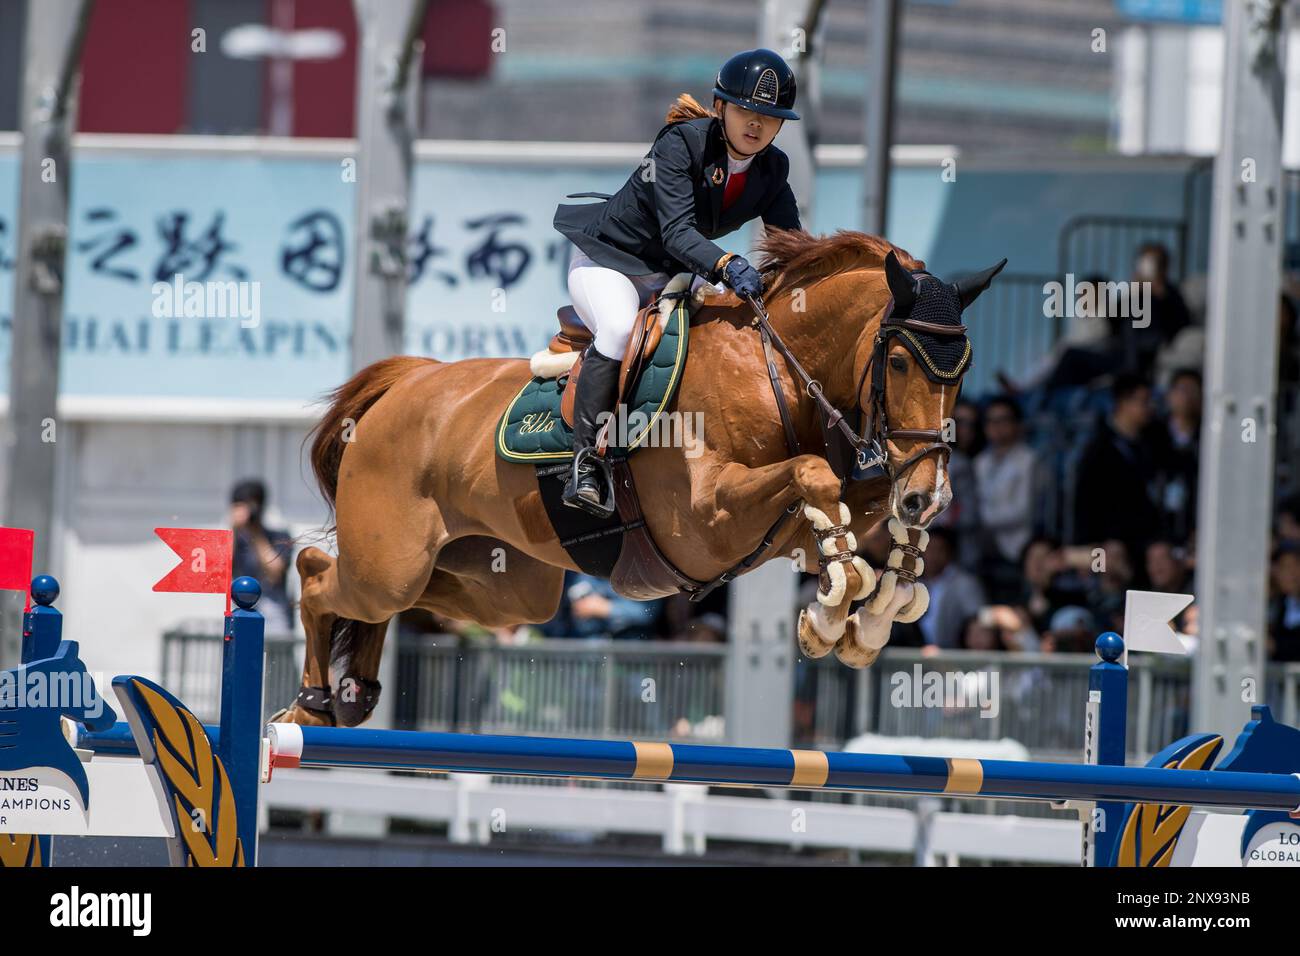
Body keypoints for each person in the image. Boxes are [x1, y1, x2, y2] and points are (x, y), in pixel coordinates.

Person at [552, 48, 803, 516]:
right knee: (620, 329)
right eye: (746, 110)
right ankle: (585, 463)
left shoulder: (774, 169)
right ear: (721, 106)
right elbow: (678, 232)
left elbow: (789, 243)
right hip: (609, 260)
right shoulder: (680, 144)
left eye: (769, 117)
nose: (756, 124)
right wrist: (727, 264)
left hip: (671, 274)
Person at [1072, 373, 1161, 560]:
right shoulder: (1097, 449)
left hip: (1145, 541)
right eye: (1143, 401)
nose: (1149, 408)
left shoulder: (1154, 442)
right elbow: (1086, 503)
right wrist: (1093, 546)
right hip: (1106, 544)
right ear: (1123, 402)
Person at [973, 395, 1038, 596]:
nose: (996, 426)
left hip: (1017, 545)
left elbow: (1024, 510)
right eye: (991, 421)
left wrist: (984, 521)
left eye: (1003, 420)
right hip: (984, 547)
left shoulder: (1029, 460)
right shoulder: (980, 462)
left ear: (1016, 424)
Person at [230, 479, 295, 631]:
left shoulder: (280, 536)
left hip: (274, 610)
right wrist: (233, 529)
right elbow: (222, 568)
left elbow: (275, 572)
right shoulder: (236, 540)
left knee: (276, 654)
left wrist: (256, 535)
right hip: (240, 608)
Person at [913, 527, 985, 649]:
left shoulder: (965, 583)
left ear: (950, 553)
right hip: (914, 654)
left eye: (939, 550)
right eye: (928, 549)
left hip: (955, 657)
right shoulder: (912, 582)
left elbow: (977, 623)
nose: (932, 556)